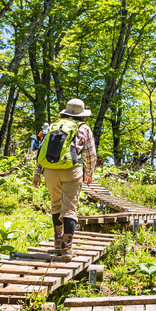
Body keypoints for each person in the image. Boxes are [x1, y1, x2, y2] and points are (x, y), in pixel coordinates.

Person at [32, 99, 96, 261]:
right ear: (82, 115)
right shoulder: (84, 128)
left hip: (50, 171)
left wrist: (37, 173)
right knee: (69, 208)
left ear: (65, 112)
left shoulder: (55, 126)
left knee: (56, 205)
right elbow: (90, 153)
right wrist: (89, 172)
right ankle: (67, 250)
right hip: (71, 170)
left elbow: (42, 150)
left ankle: (57, 242)